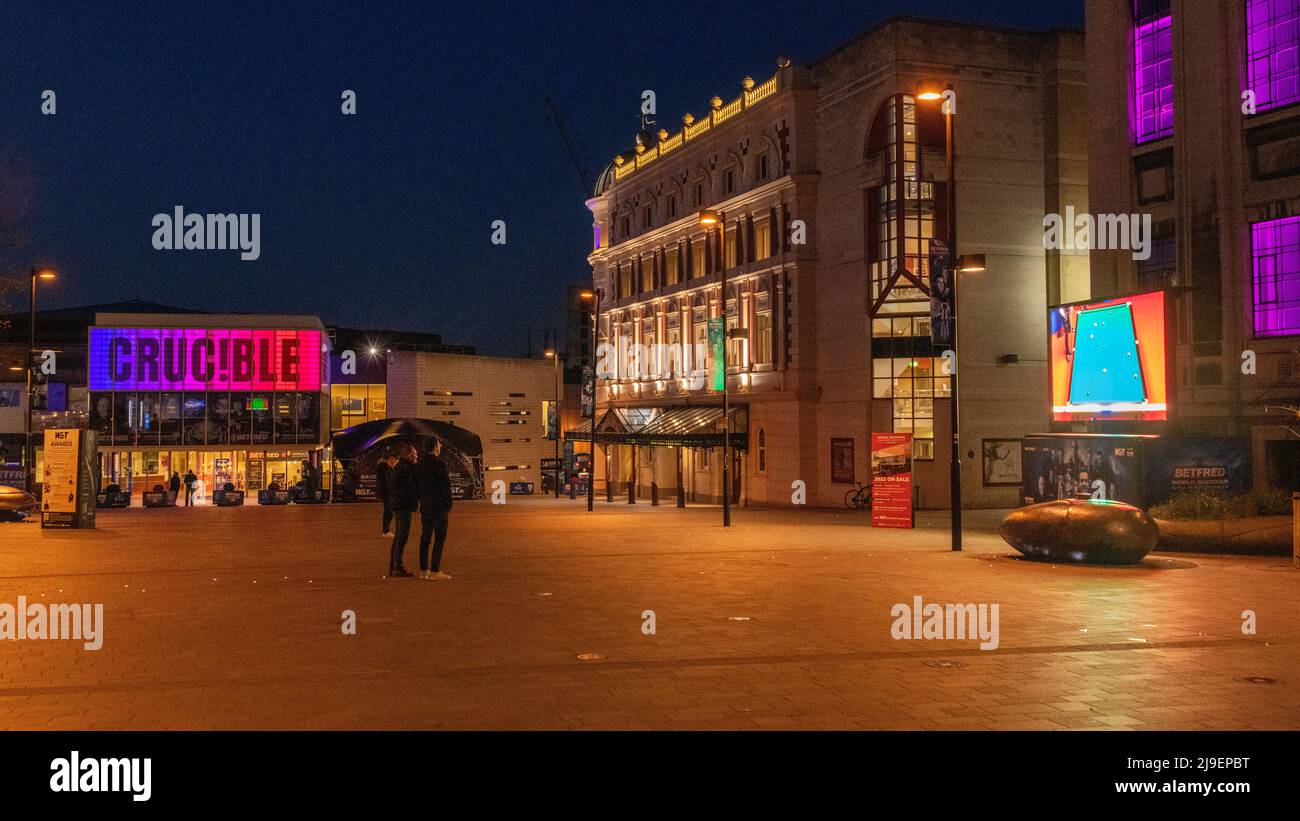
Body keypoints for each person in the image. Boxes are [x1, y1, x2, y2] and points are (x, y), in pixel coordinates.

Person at [415, 437, 454, 580]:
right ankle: (435, 570)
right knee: (439, 539)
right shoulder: (440, 464)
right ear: (435, 447)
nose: (441, 446)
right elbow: (445, 487)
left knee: (425, 538)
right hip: (439, 506)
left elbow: (417, 487)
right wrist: (448, 505)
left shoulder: (419, 465)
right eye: (439, 444)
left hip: (426, 505)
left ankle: (423, 569)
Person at [387, 445, 419, 578]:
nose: (416, 456)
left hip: (400, 505)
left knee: (400, 535)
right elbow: (409, 488)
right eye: (415, 454)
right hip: (403, 506)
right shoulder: (406, 469)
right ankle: (397, 565)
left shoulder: (400, 467)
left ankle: (394, 565)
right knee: (402, 536)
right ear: (409, 455)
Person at [376, 454, 397, 537]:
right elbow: (386, 482)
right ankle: (386, 531)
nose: (395, 463)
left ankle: (386, 530)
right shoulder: (384, 468)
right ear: (391, 459)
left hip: (389, 493)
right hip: (387, 493)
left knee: (390, 511)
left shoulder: (389, 469)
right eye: (395, 460)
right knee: (389, 511)